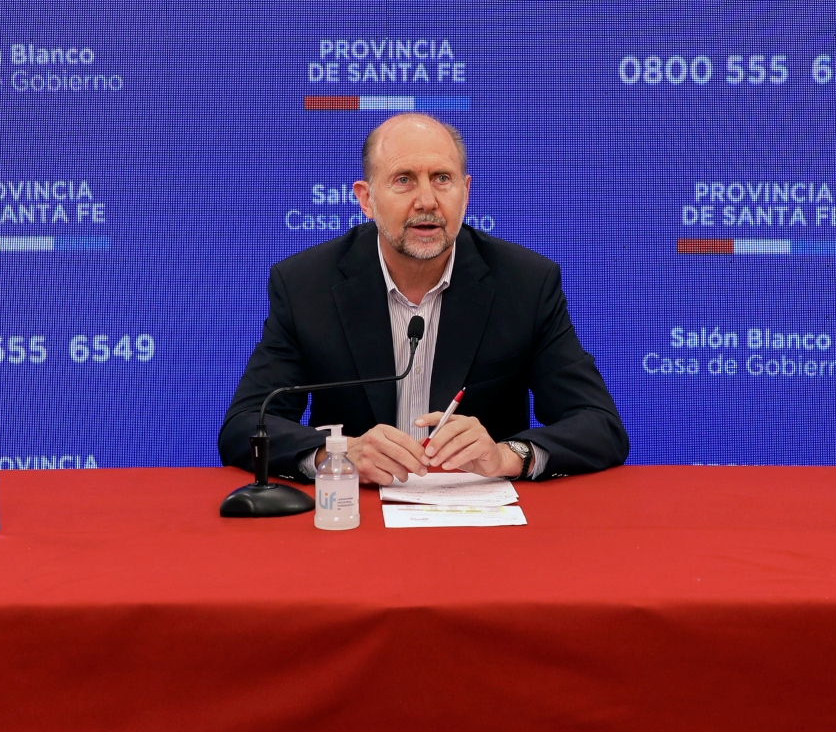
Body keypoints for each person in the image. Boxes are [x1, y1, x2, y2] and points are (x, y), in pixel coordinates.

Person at [222, 113, 626, 484]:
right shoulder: (306, 284)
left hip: (480, 517)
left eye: (442, 178)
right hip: (356, 512)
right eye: (404, 180)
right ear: (366, 199)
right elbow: (245, 425)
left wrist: (509, 455)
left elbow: (599, 425)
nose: (428, 201)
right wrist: (339, 454)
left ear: (465, 192)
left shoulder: (525, 283)